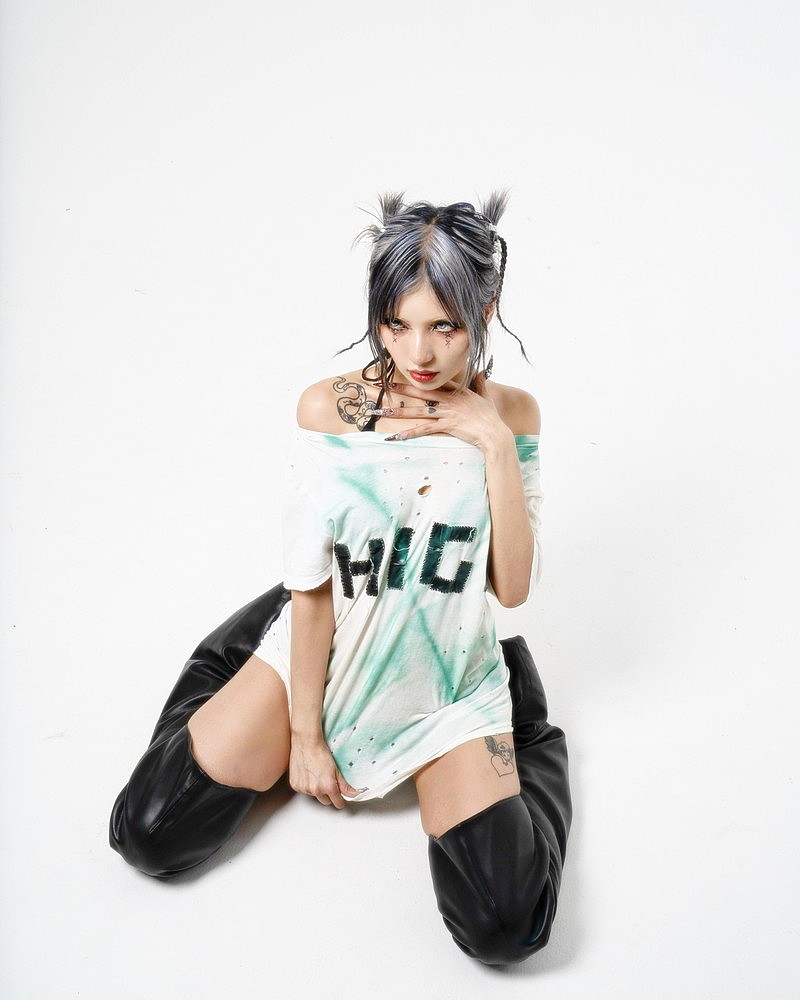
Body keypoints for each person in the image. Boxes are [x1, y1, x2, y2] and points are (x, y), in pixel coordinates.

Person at [109, 191, 573, 966]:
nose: (417, 353)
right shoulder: (330, 409)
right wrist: (304, 737)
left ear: (484, 311)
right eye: (396, 323)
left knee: (507, 925)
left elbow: (513, 588)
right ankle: (245, 651)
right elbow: (314, 583)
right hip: (331, 633)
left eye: (445, 327)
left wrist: (492, 442)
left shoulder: (514, 415)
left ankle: (523, 719)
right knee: (149, 833)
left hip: (449, 683)